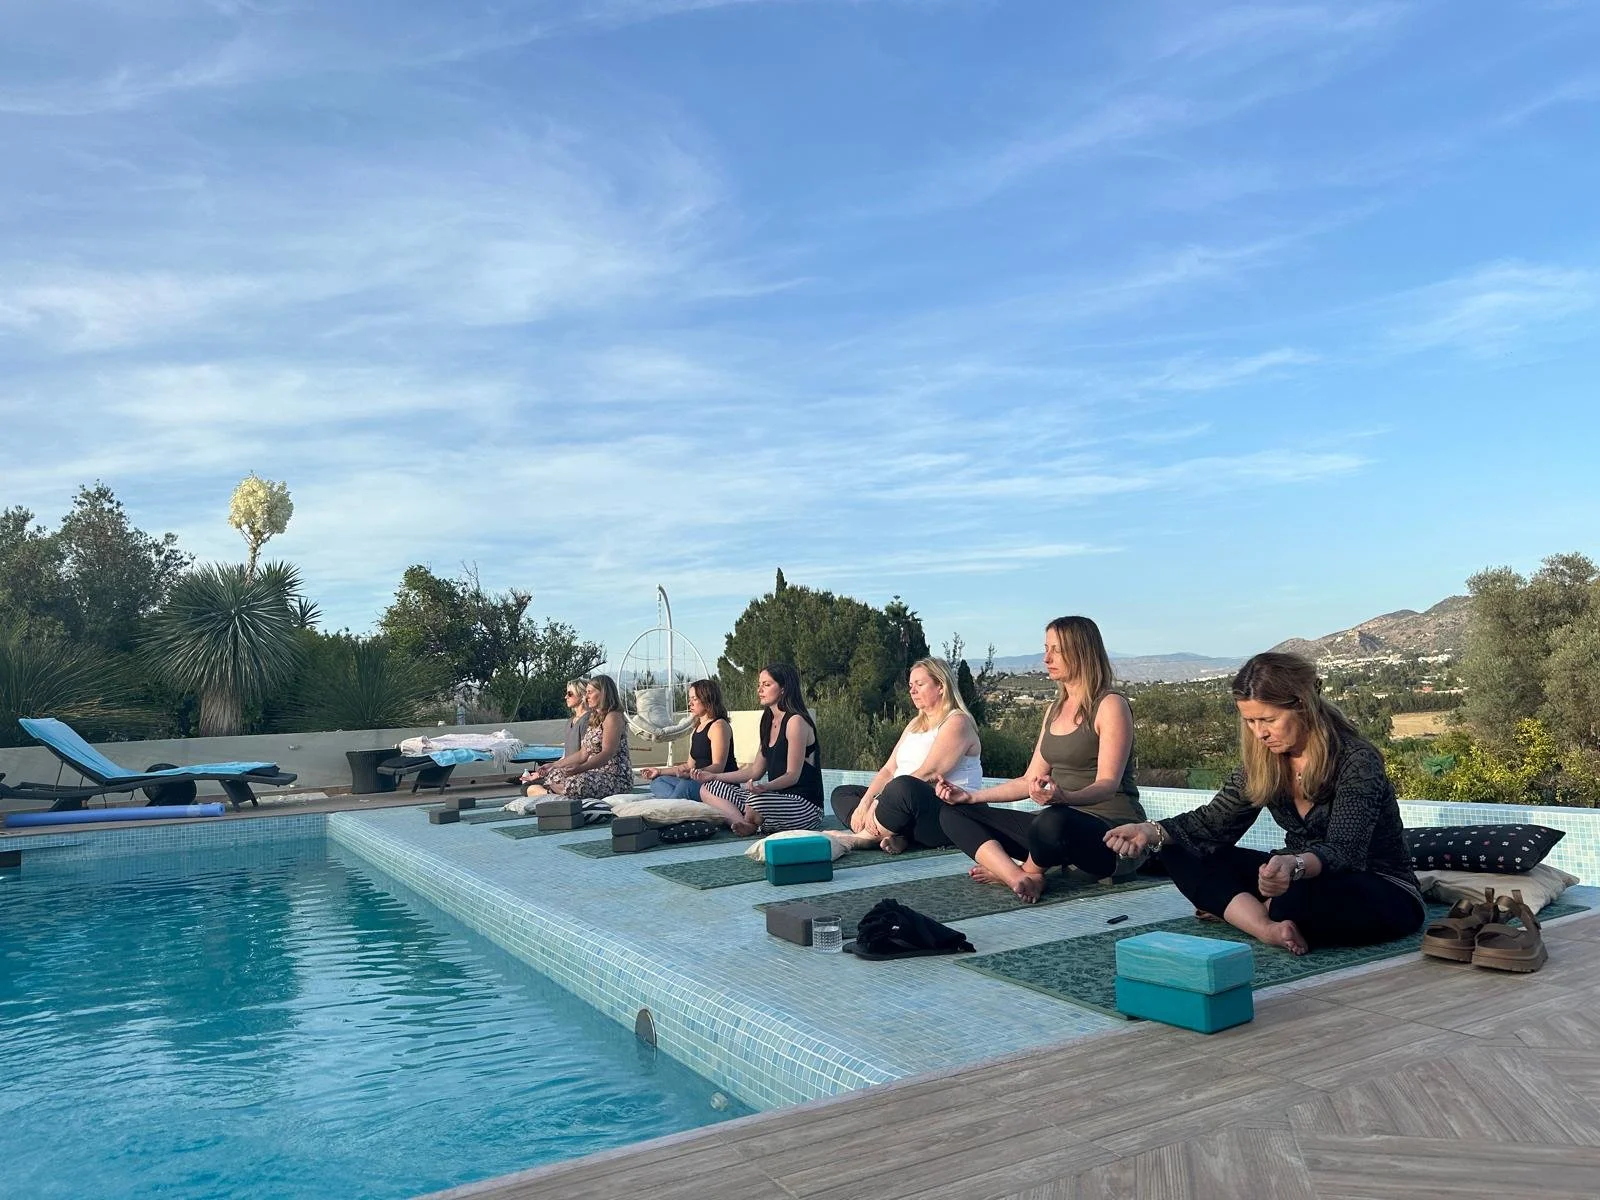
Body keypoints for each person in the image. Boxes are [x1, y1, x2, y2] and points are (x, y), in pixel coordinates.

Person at [1104, 652, 1425, 956]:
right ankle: (1266, 927)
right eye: (1250, 722)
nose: (1260, 733)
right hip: (1292, 876)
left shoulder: (1356, 760)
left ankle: (1246, 910)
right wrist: (1149, 831)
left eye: (1268, 719)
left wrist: (1293, 866)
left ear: (1303, 706)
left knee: (1295, 899)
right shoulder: (1263, 762)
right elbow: (1216, 823)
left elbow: (1345, 852)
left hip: (1376, 885)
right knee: (1178, 848)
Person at [936, 615, 1144, 903]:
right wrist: (970, 797)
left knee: (1053, 820)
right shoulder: (1054, 710)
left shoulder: (1110, 705)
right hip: (1052, 830)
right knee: (953, 813)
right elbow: (1028, 780)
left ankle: (1029, 872)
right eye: (1046, 649)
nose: (1047, 658)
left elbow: (1108, 785)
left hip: (1110, 832)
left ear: (1082, 651)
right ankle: (1017, 877)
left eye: (1056, 650)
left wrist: (1065, 797)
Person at [830, 657, 982, 853]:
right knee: (843, 794)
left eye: (919, 684)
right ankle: (894, 834)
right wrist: (866, 802)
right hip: (902, 803)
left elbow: (930, 772)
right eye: (911, 685)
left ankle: (862, 839)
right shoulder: (915, 725)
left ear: (941, 686)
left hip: (948, 813)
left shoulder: (957, 722)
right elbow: (888, 770)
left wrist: (880, 800)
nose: (912, 691)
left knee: (903, 786)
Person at [692, 663, 823, 836]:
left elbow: (792, 775)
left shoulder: (795, 722)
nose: (760, 689)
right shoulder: (767, 721)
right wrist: (714, 776)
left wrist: (764, 787)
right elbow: (755, 771)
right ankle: (743, 823)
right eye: (759, 684)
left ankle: (751, 820)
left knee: (756, 801)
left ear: (784, 688)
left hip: (804, 805)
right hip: (774, 798)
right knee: (709, 788)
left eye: (766, 685)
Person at [524, 675, 632, 800]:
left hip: (613, 776)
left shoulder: (613, 716)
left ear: (603, 693)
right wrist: (554, 765)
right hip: (594, 772)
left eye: (590, 692)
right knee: (555, 774)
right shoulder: (595, 717)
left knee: (575, 783)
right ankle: (550, 793)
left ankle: (545, 793)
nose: (586, 697)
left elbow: (607, 753)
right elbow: (582, 754)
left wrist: (580, 768)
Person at [639, 678, 737, 799]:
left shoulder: (718, 726)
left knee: (685, 786)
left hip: (718, 784)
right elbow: (689, 765)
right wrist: (658, 771)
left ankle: (676, 800)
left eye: (694, 699)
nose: (690, 703)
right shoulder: (697, 727)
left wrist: (691, 774)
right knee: (658, 781)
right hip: (696, 780)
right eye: (690, 699)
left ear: (707, 699)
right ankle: (678, 799)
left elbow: (718, 767)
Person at [516, 678, 590, 790]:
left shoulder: (587, 720)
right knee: (527, 786)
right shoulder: (571, 721)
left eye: (570, 694)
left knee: (532, 787)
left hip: (578, 771)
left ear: (582, 695)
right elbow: (566, 755)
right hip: (566, 768)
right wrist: (550, 767)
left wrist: (557, 768)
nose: (566, 697)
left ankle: (551, 792)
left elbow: (586, 754)